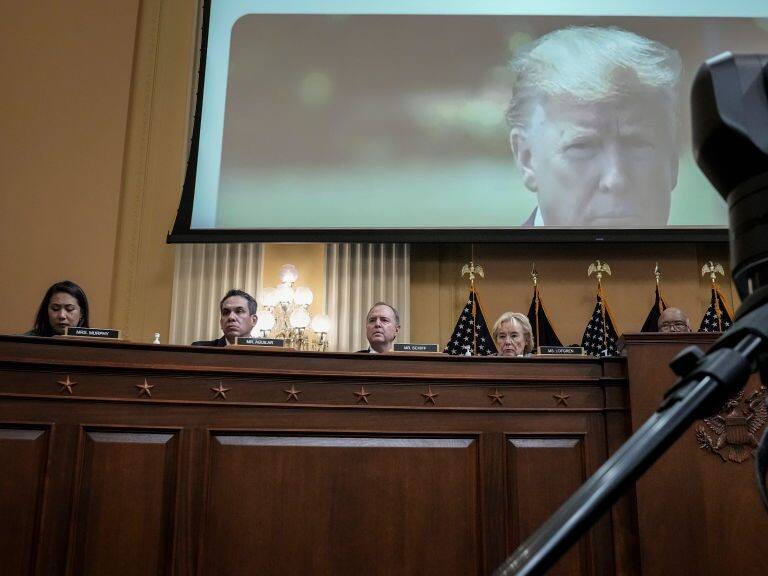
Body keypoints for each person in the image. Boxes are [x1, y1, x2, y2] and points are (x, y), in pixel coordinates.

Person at [506, 26, 682, 227]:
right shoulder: (480, 259)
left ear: (672, 161)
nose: (616, 179)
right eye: (582, 146)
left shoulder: (719, 258)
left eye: (638, 144)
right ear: (526, 158)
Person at [192, 289, 258, 346]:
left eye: (239, 311)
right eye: (226, 312)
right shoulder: (200, 350)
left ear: (253, 320)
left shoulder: (266, 353)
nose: (231, 317)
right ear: (221, 322)